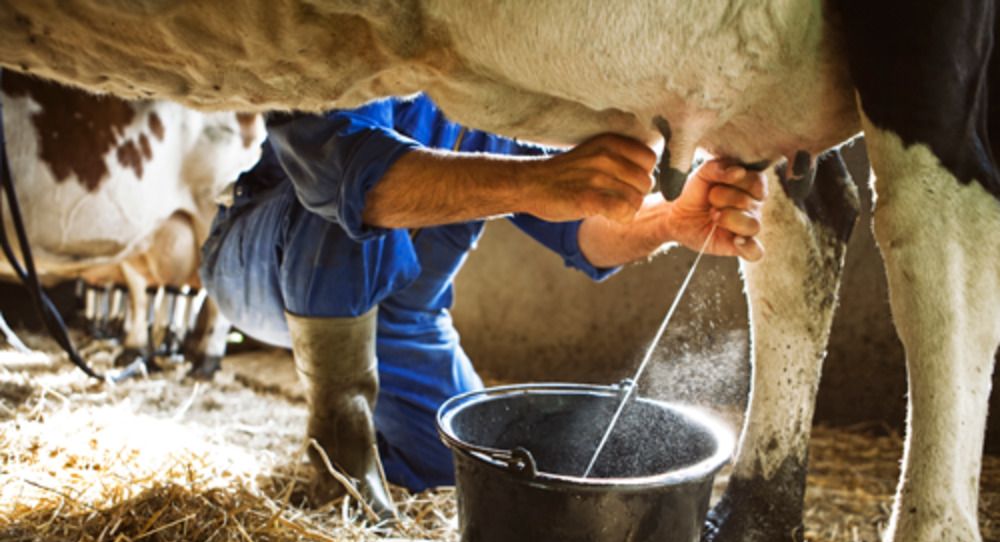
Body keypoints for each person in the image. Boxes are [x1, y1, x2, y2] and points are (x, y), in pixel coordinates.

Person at [200, 94, 766, 518]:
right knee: (348, 202)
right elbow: (349, 177)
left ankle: (384, 448)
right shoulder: (359, 35)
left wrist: (669, 219)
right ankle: (339, 451)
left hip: (404, 321)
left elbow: (584, 231)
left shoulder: (494, 92)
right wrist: (539, 182)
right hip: (262, 261)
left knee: (469, 469)